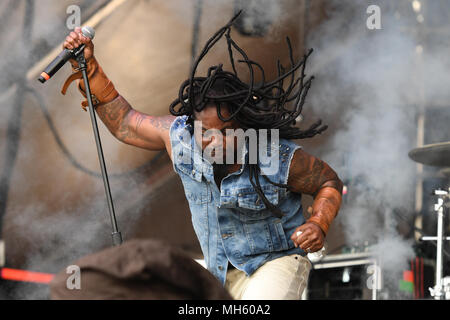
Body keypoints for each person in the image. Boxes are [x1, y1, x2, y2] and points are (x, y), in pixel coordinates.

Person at [61, 13, 343, 300]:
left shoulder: (274, 154)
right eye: (205, 132)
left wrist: (318, 223)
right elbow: (124, 122)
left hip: (276, 263)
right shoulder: (179, 138)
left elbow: (328, 182)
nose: (215, 141)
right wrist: (90, 67)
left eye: (226, 131)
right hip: (219, 272)